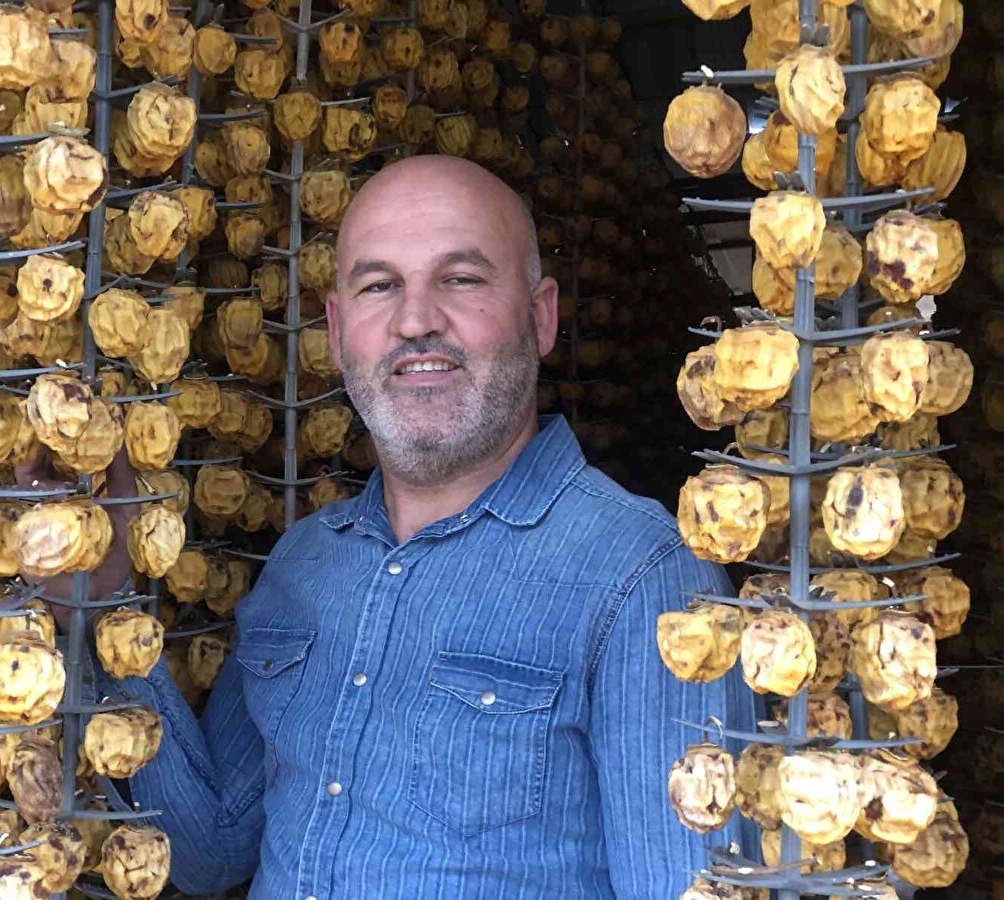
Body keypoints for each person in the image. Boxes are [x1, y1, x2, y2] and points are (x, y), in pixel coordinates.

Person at [93, 155, 756, 898]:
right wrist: (100, 602)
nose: (415, 321)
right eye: (380, 286)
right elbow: (210, 851)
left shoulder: (647, 580)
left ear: (541, 316)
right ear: (337, 330)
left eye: (461, 279)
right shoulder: (303, 564)